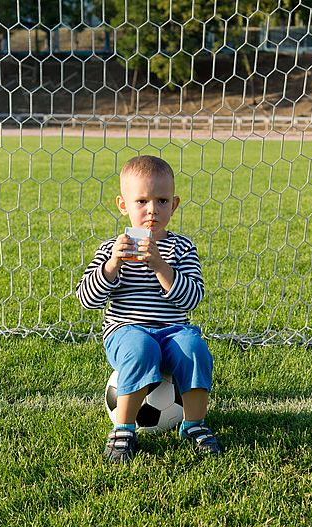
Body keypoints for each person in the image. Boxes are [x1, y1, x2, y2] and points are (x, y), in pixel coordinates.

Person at [76, 155, 222, 463]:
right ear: (123, 205)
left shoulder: (182, 248)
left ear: (175, 204)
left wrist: (160, 265)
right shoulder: (111, 249)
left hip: (173, 329)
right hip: (126, 330)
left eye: (162, 200)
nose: (152, 209)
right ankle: (123, 429)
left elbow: (192, 298)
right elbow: (87, 298)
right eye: (141, 201)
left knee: (193, 347)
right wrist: (113, 265)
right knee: (141, 349)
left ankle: (194, 424)